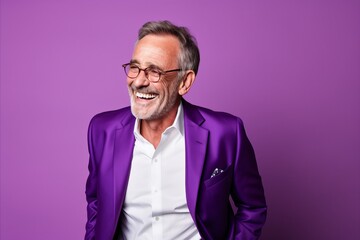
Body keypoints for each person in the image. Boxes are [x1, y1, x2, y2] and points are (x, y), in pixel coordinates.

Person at [85, 20, 267, 240]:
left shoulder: (226, 134)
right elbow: (96, 202)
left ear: (185, 82)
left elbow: (252, 208)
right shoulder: (102, 130)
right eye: (135, 68)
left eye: (154, 71)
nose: (139, 82)